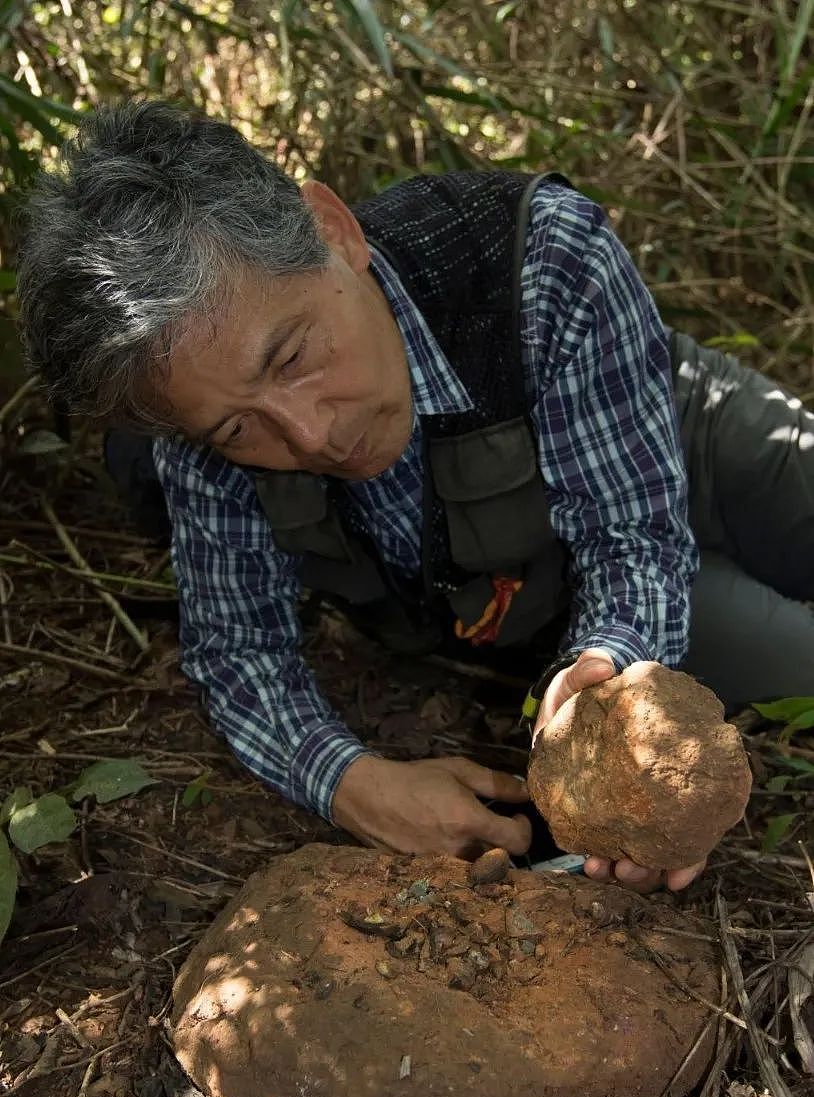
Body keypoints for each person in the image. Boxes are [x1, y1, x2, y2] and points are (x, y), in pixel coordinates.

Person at [16, 102, 814, 893]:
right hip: (535, 580)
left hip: (669, 433)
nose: (308, 436)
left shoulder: (539, 257)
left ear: (334, 230)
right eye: (236, 427)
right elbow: (237, 650)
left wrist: (615, 660)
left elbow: (632, 529)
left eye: (292, 355)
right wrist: (350, 781)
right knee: (799, 658)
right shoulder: (198, 429)